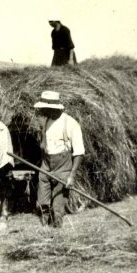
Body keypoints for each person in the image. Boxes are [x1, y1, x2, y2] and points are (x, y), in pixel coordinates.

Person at [34, 91, 84, 228]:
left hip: (63, 165)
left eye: (45, 108)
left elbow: (79, 152)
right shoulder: (47, 120)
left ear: (54, 108)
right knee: (42, 195)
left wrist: (71, 176)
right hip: (46, 163)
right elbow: (44, 142)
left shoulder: (71, 124)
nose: (42, 111)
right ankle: (44, 225)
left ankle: (57, 227)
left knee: (58, 200)